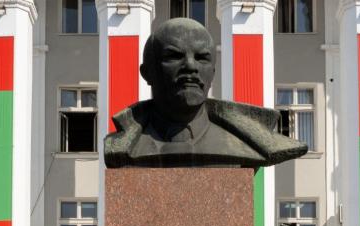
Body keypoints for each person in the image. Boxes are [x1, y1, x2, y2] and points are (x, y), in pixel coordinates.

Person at [103, 18, 306, 168]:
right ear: (147, 73)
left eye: (201, 58)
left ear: (213, 73)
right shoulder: (123, 146)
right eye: (174, 56)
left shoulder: (246, 144)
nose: (190, 66)